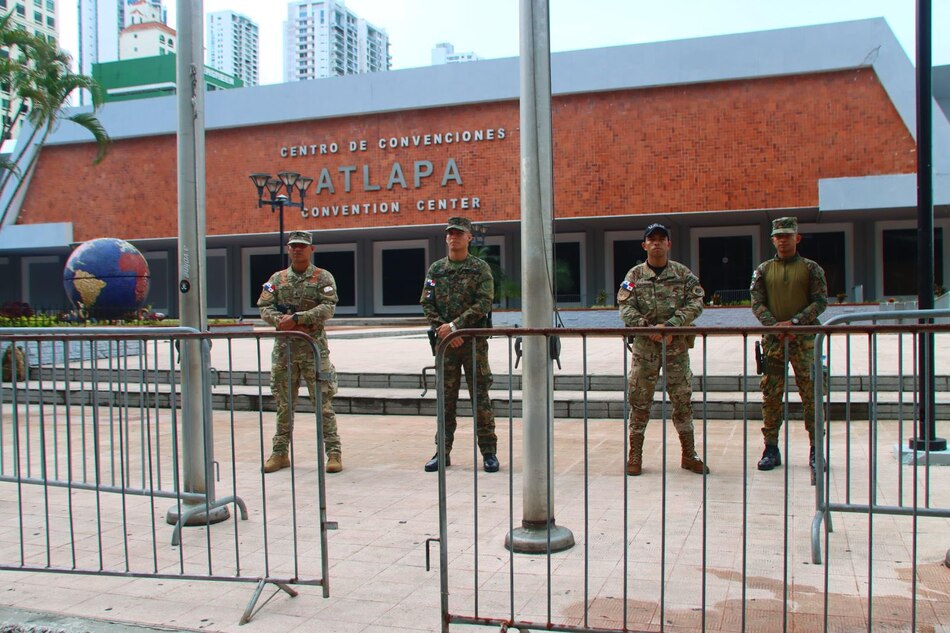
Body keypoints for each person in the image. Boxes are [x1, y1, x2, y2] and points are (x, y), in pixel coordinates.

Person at [617, 223, 709, 476]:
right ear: (644, 245)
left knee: (682, 400)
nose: (656, 243)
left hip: (676, 348)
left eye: (661, 239)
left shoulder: (682, 274)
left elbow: (697, 302)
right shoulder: (634, 276)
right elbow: (625, 307)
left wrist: (670, 326)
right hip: (645, 349)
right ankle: (635, 455)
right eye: (651, 239)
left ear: (669, 244)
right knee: (639, 401)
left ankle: (689, 454)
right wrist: (648, 328)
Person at [258, 230, 342, 474]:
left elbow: (328, 307)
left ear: (311, 249)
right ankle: (280, 452)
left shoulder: (322, 277)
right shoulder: (277, 279)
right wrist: (280, 321)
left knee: (323, 403)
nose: (297, 250)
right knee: (284, 404)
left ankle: (334, 452)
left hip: (314, 351)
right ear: (288, 249)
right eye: (293, 246)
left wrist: (299, 317)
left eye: (302, 246)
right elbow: (264, 306)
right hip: (285, 352)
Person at [420, 216, 499, 473]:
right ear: (446, 238)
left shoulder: (480, 269)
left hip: (472, 343)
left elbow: (484, 302)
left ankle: (488, 452)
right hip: (446, 347)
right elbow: (427, 303)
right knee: (446, 400)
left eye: (459, 233)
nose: (454, 237)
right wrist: (444, 331)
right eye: (450, 233)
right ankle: (442, 452)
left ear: (469, 238)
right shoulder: (436, 270)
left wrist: (455, 328)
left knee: (481, 399)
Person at [750, 216, 828, 474]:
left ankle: (816, 449)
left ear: (797, 237)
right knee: (771, 395)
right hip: (774, 342)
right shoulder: (763, 270)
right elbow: (756, 303)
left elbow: (820, 301)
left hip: (805, 340)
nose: (783, 240)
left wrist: (795, 323)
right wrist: (775, 326)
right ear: (772, 239)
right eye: (778, 236)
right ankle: (771, 448)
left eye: (787, 235)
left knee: (811, 395)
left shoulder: (811, 268)